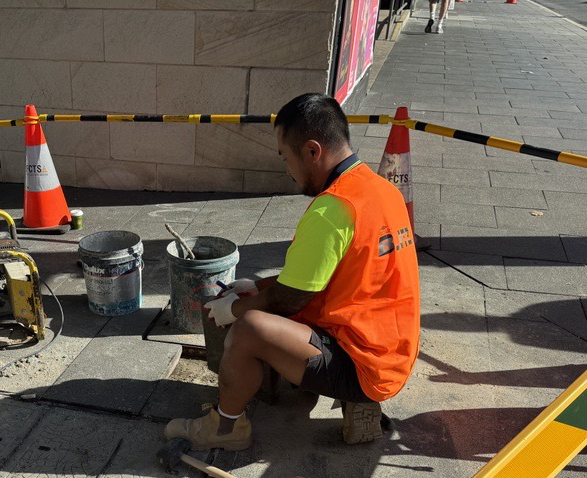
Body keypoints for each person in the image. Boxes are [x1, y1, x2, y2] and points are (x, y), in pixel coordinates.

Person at [164, 93, 420, 452]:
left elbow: (290, 299)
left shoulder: (331, 210)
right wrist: (256, 286)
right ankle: (341, 392)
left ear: (312, 151)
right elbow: (320, 275)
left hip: (363, 363)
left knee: (250, 328)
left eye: (285, 157)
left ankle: (226, 427)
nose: (287, 169)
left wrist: (234, 308)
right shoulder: (381, 189)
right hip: (392, 350)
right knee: (262, 304)